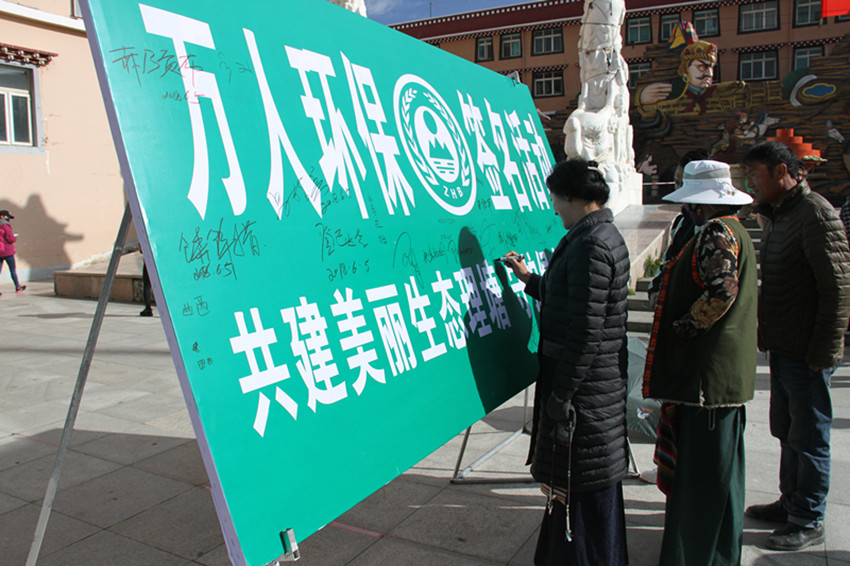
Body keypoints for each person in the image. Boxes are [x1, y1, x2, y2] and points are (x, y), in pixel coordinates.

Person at [502, 158, 630, 566]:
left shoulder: (591, 245)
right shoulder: (598, 235)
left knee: (583, 489)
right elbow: (576, 300)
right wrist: (529, 279)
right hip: (593, 386)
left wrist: (562, 395)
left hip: (586, 393)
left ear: (573, 197)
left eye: (555, 198)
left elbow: (585, 332)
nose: (553, 207)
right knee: (583, 487)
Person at [643, 160, 757, 565]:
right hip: (720, 379)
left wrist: (683, 328)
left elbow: (721, 291)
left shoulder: (715, 232)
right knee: (719, 476)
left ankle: (694, 556)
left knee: (703, 479)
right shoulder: (734, 229)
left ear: (700, 202)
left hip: (708, 381)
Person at [741, 141, 850, 551]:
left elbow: (837, 289)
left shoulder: (816, 214)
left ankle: (808, 517)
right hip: (784, 345)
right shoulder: (779, 214)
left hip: (808, 351)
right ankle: (790, 502)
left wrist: (825, 350)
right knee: (787, 431)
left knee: (810, 436)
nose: (751, 184)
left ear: (782, 172)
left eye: (756, 175)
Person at [647, 150, 709, 309]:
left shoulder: (715, 228)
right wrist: (656, 289)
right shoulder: (682, 222)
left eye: (684, 184)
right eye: (677, 183)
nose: (679, 189)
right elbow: (669, 260)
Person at [0, 209, 26, 295]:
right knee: (12, 270)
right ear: (2, 217)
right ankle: (18, 287)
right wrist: (14, 237)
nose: (8, 219)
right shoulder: (5, 226)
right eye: (7, 217)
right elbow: (11, 239)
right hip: (7, 252)